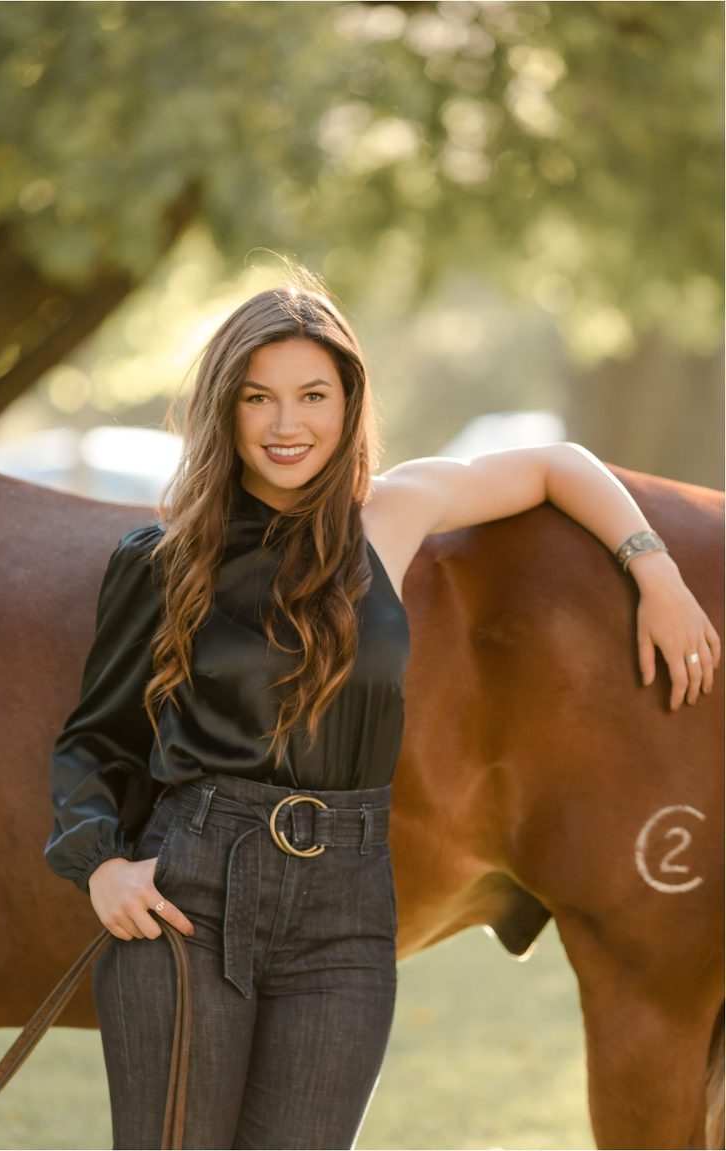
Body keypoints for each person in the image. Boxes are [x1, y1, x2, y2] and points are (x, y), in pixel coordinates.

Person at [45, 277, 720, 1151]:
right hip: (195, 888)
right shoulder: (164, 561)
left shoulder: (391, 517)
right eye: (260, 398)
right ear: (227, 409)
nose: (288, 425)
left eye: (313, 396)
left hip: (347, 907)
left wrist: (654, 569)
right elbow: (95, 739)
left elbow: (559, 467)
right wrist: (100, 864)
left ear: (348, 402)